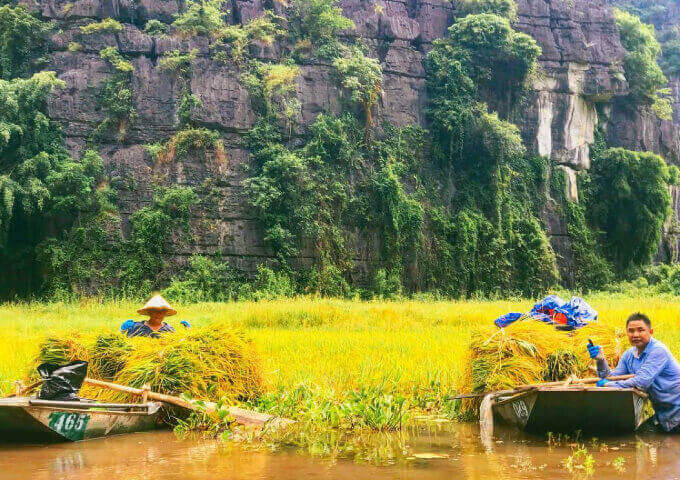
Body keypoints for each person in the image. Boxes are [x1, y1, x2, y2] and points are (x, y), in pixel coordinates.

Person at [588, 312, 680, 433]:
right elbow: (612, 378)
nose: (635, 335)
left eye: (640, 330)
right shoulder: (629, 355)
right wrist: (600, 360)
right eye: (631, 331)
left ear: (650, 332)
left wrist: (609, 385)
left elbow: (641, 382)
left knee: (666, 445)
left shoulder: (658, 351)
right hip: (664, 415)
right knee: (642, 436)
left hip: (677, 411)